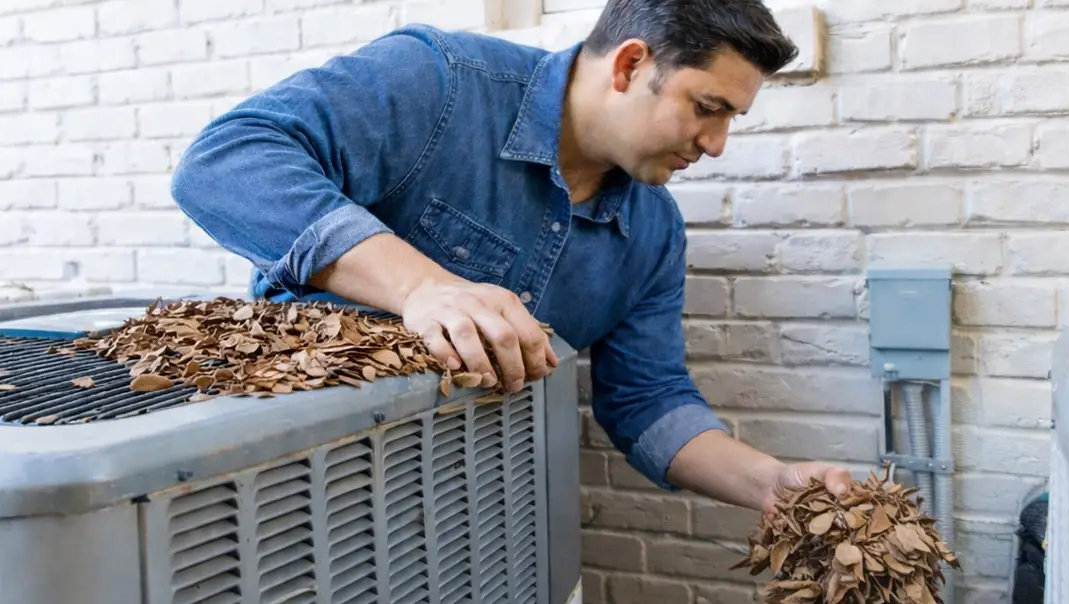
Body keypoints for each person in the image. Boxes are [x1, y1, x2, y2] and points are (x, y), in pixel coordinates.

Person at [170, 0, 853, 514]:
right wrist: (423, 288)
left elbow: (648, 400)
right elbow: (223, 163)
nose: (716, 144)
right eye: (708, 108)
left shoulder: (654, 234)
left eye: (732, 118)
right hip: (303, 497)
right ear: (630, 64)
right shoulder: (437, 82)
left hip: (489, 516)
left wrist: (769, 483)